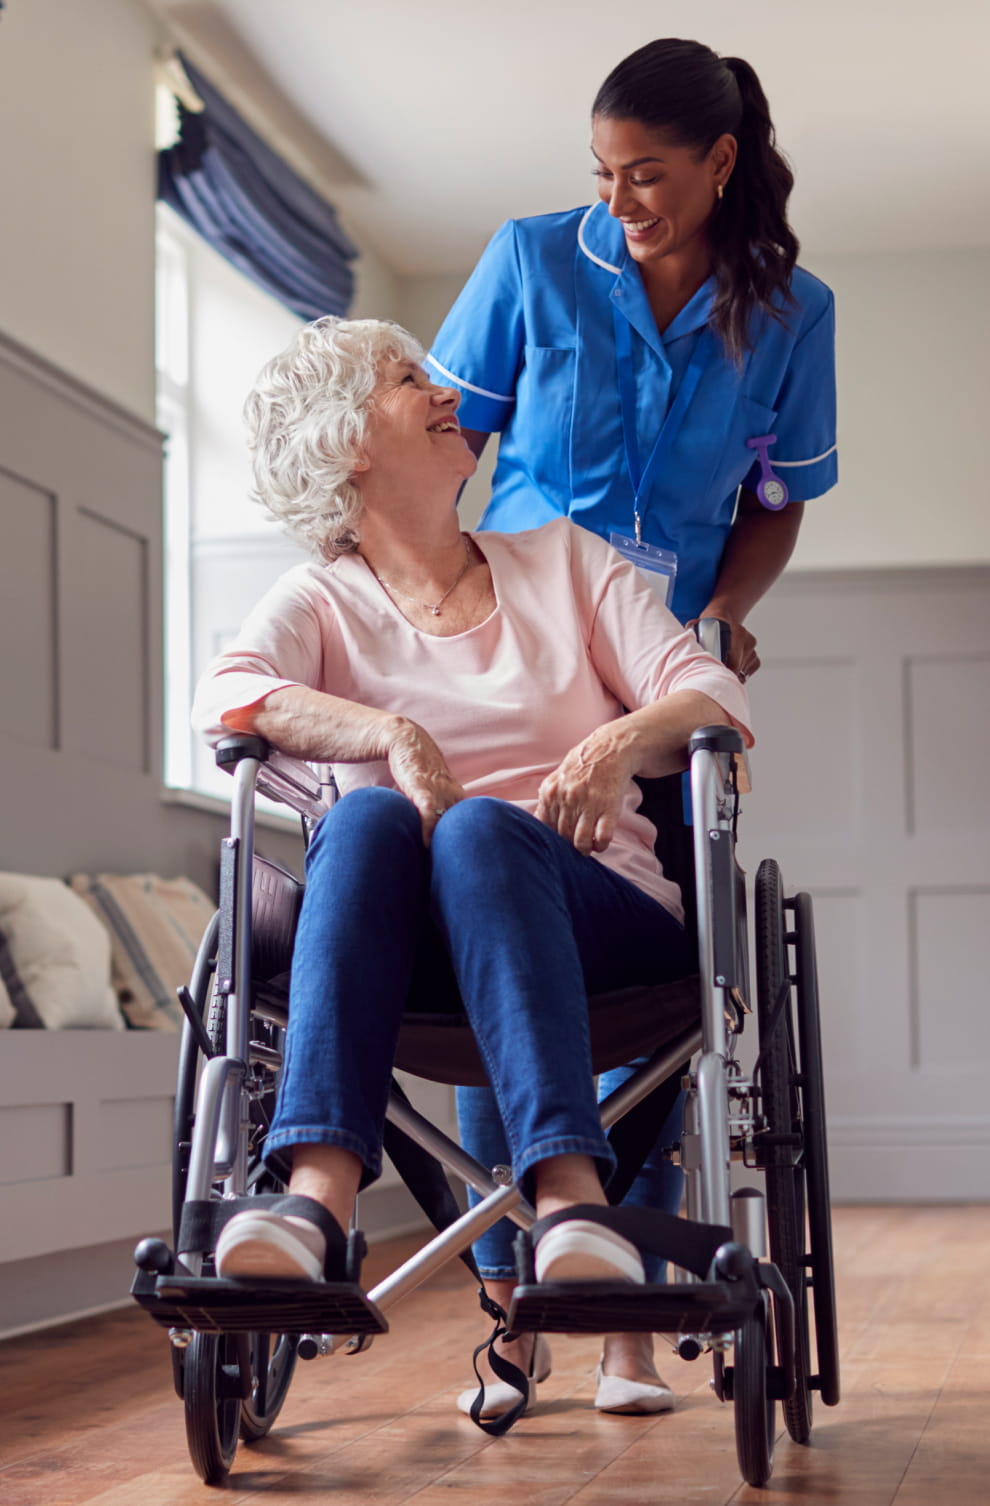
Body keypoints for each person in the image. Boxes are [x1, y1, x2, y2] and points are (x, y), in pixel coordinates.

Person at [191, 315, 752, 1422]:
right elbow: (229, 698)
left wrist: (614, 744)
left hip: (600, 915)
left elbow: (713, 694)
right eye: (411, 380)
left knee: (483, 829)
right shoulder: (319, 601)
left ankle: (572, 1200)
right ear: (349, 443)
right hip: (415, 958)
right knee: (363, 826)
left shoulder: (565, 561)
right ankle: (316, 1199)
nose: (449, 391)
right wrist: (388, 735)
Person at [427, 35, 837, 1403]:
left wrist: (720, 615)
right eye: (603, 176)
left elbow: (775, 502)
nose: (622, 204)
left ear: (720, 163)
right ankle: (513, 1305)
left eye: (648, 175)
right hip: (523, 665)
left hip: (659, 684)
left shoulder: (789, 314)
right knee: (502, 956)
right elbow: (446, 447)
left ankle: (621, 1315)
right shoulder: (531, 262)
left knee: (661, 975)